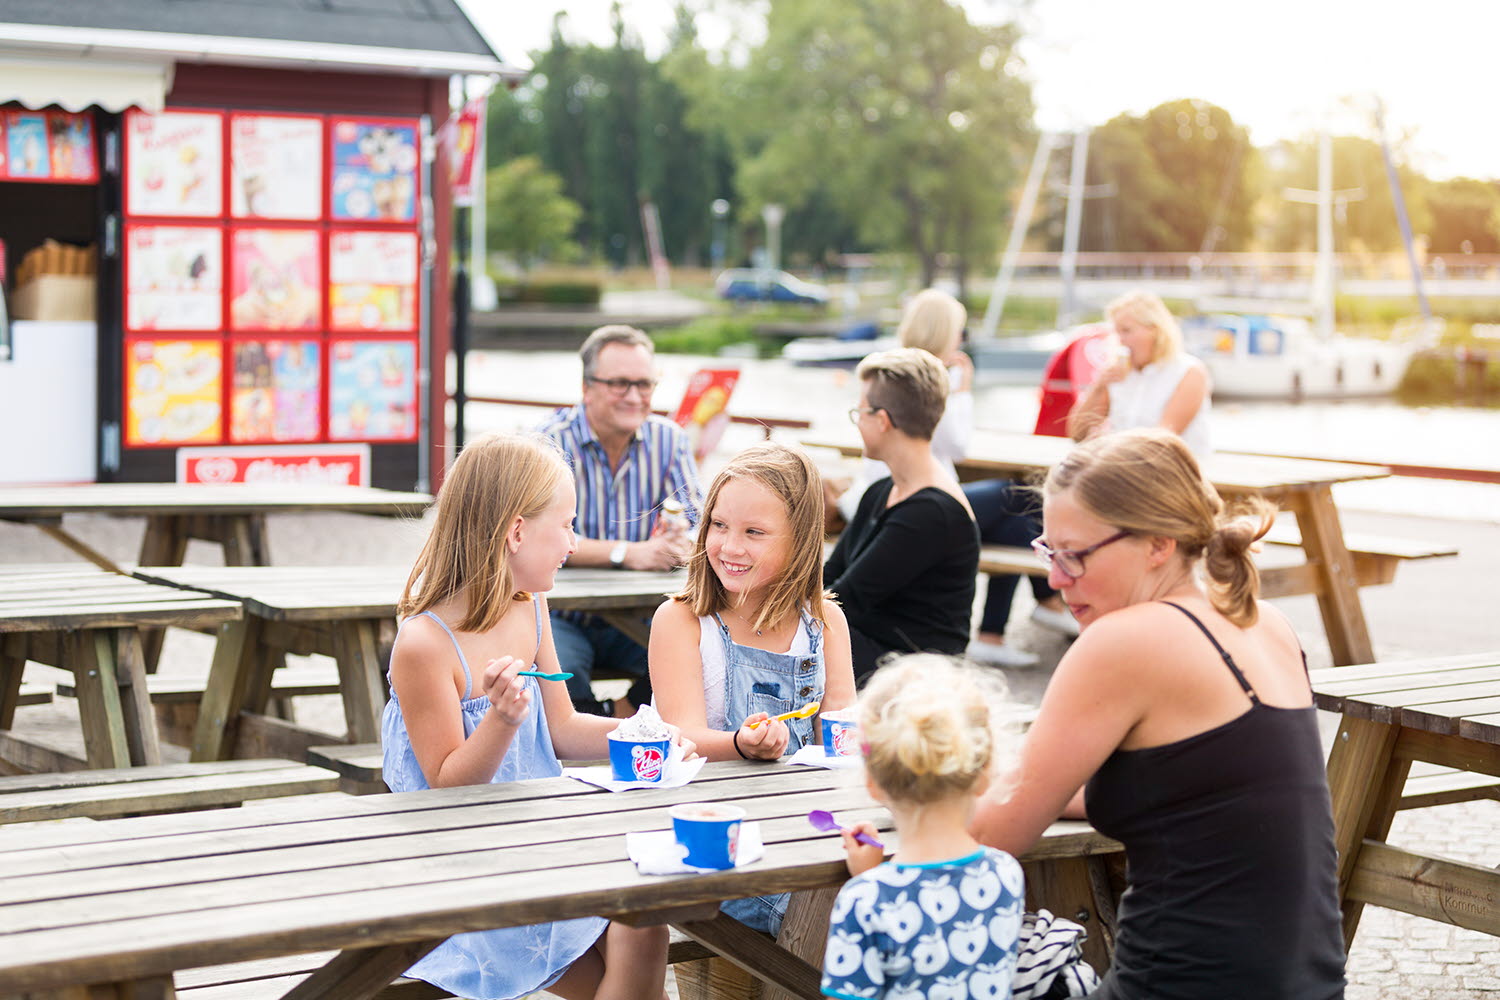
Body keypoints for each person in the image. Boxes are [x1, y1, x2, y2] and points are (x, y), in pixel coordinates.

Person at [971, 429, 1347, 999]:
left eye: (1074, 555)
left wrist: (905, 791)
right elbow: (1194, 794)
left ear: (1157, 544)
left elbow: (991, 837)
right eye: (1048, 550)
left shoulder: (1125, 640)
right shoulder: (1264, 621)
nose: (1054, 578)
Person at [382, 432, 689, 1000]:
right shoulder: (424, 644)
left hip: (538, 840)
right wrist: (500, 721)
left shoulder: (530, 605)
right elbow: (448, 786)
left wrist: (649, 733)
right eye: (567, 525)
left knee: (645, 923)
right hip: (463, 865)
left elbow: (564, 728)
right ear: (516, 532)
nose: (573, 543)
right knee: (632, 940)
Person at [651, 441, 857, 933]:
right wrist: (742, 744)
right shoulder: (681, 621)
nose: (730, 546)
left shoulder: (825, 621)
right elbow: (680, 738)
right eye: (719, 526)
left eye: (754, 533)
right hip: (717, 846)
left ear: (801, 541)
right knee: (840, 921)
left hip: (807, 831)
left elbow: (844, 729)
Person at [821, 654, 1025, 1000]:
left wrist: (868, 881)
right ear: (985, 773)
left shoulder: (865, 900)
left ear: (872, 781)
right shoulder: (1006, 873)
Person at [538, 325, 704, 718]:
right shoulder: (546, 443)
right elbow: (534, 537)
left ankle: (623, 715)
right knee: (556, 675)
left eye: (644, 384)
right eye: (619, 384)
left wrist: (681, 543)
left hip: (642, 613)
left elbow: (699, 527)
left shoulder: (670, 440)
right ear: (586, 387)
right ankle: (579, 761)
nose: (634, 396)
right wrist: (628, 553)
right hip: (561, 613)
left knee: (705, 652)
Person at [825, 348, 979, 680]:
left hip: (914, 671)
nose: (857, 421)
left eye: (860, 412)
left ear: (882, 421)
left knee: (784, 637)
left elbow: (842, 601)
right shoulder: (883, 491)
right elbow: (830, 577)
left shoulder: (930, 512)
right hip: (876, 645)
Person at [829, 289, 974, 528]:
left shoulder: (887, 371)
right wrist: (963, 391)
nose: (961, 339)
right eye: (960, 331)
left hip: (881, 490)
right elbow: (957, 446)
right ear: (947, 334)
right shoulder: (928, 380)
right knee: (1009, 497)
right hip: (913, 497)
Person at [1067, 290, 1212, 457]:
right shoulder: (1117, 374)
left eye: (1126, 331)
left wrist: (1108, 443)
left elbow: (1162, 441)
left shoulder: (1189, 372)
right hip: (1124, 464)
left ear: (1155, 330)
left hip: (1171, 471)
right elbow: (1077, 434)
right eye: (1117, 332)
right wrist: (1099, 386)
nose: (1120, 339)